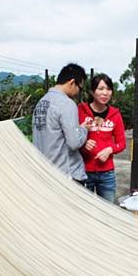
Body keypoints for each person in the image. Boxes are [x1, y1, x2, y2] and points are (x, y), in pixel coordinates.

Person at [33, 63, 89, 184]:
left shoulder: (41, 102)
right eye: (80, 88)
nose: (78, 92)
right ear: (72, 83)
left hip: (45, 173)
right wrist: (84, 129)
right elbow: (74, 143)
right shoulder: (67, 104)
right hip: (66, 175)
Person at [78, 73, 126, 203]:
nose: (105, 93)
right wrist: (83, 143)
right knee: (84, 211)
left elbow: (121, 143)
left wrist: (110, 149)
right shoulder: (81, 110)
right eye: (100, 89)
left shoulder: (115, 114)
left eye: (108, 89)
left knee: (107, 213)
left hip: (107, 174)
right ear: (92, 92)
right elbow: (71, 136)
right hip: (83, 172)